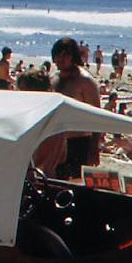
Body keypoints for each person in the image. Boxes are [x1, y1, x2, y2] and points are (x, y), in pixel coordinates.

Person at [51, 37, 101, 178]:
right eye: (58, 54)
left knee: (76, 184)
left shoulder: (85, 81)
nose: (61, 58)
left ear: (74, 56)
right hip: (55, 141)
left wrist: (94, 147)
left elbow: (97, 115)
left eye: (66, 54)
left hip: (78, 142)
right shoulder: (53, 79)